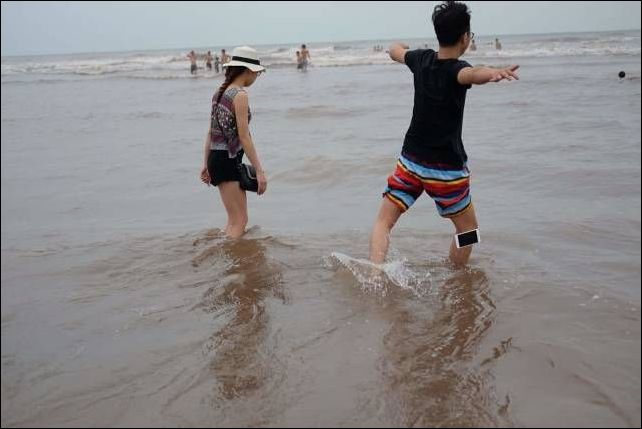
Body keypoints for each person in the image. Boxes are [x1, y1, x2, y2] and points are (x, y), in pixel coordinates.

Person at [369, 1, 519, 267]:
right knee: (468, 230)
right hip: (446, 171)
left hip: (410, 163)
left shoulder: (420, 59)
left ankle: (374, 273)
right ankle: (456, 274)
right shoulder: (456, 69)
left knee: (383, 222)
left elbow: (394, 51)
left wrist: (399, 45)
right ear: (465, 38)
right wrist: (493, 73)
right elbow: (473, 73)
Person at [200, 46, 267, 238]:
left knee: (234, 220)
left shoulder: (219, 93)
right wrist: (259, 171)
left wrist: (206, 164)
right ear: (248, 71)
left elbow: (211, 133)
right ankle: (231, 255)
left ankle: (224, 250)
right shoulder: (240, 95)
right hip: (227, 161)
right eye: (257, 73)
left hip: (217, 159)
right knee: (240, 220)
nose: (256, 77)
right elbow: (244, 137)